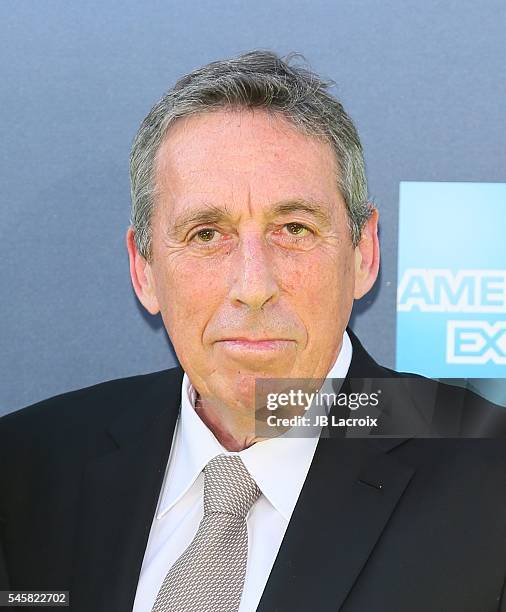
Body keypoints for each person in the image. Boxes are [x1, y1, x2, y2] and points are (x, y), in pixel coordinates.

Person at [0, 50, 505, 612]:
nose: (253, 284)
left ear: (363, 253)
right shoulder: (24, 468)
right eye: (206, 234)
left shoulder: (489, 469)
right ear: (144, 269)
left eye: (293, 228)